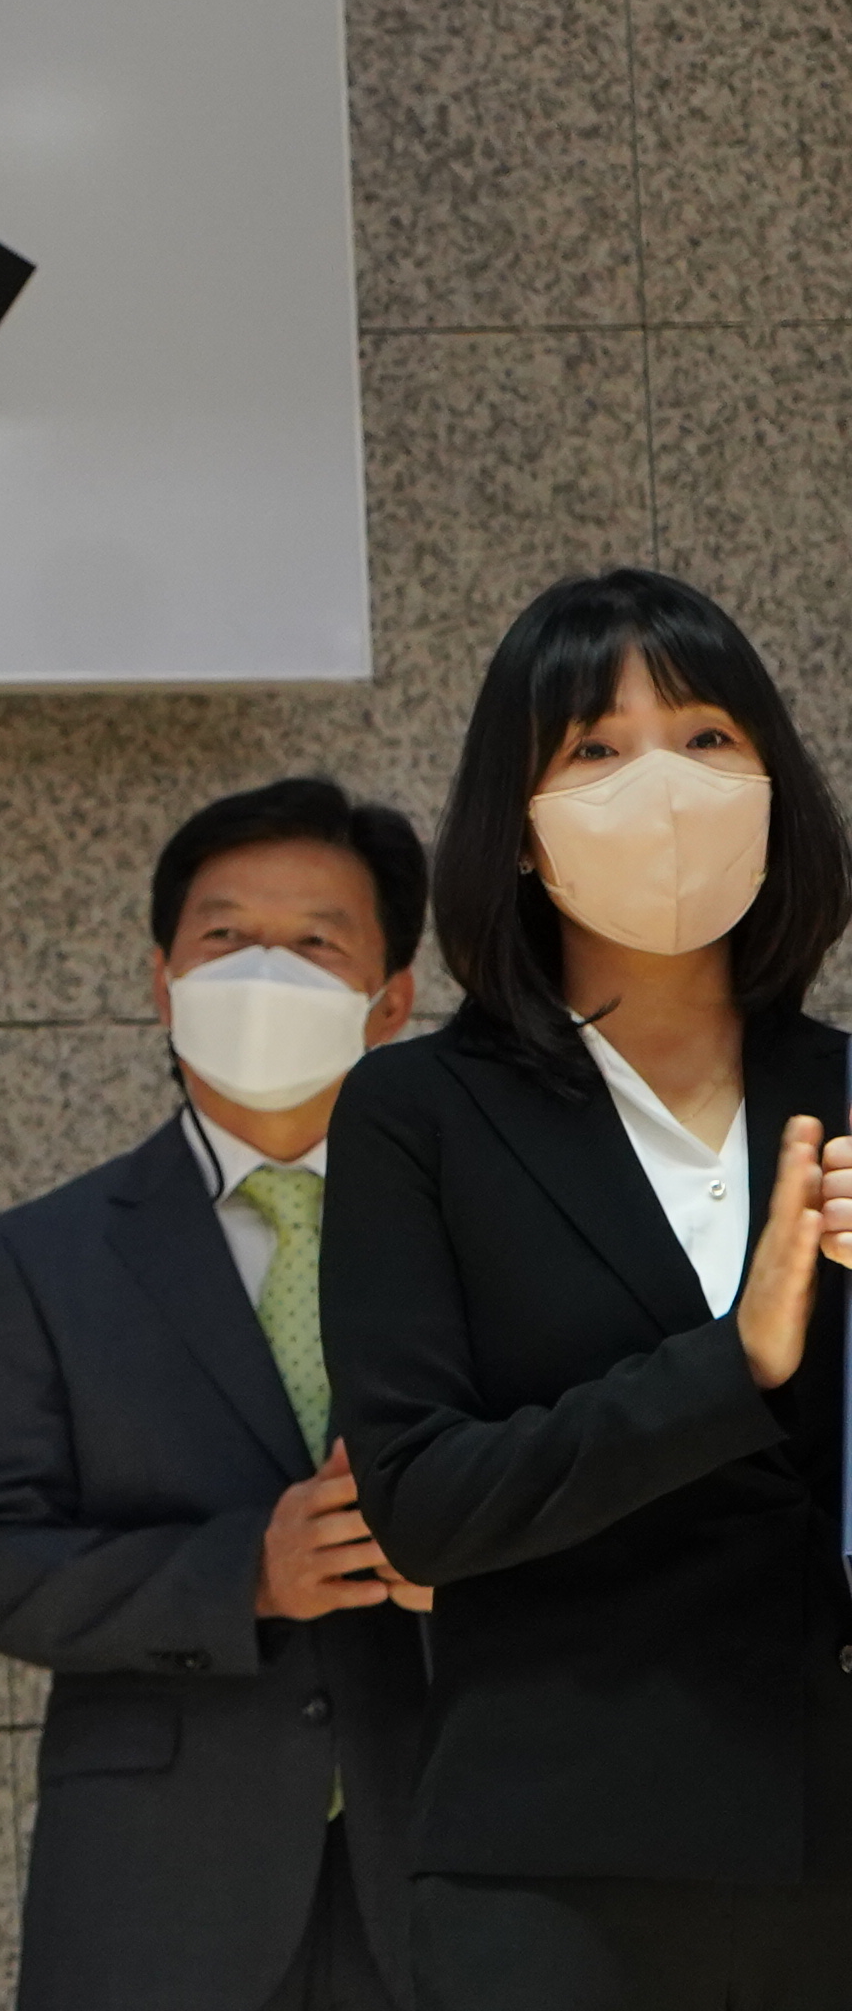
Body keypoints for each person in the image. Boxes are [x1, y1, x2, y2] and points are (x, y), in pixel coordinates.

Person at [325, 569, 852, 2010]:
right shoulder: (418, 1114)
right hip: (553, 1860)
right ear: (518, 825)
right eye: (596, 749)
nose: (663, 785)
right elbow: (420, 1499)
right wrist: (731, 1363)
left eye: (707, 737)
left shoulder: (843, 1089)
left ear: (774, 786)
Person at [0, 777, 437, 2011]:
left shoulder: (474, 1233)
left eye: (315, 941)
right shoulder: (46, 1257)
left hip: (446, 1866)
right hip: (159, 1893)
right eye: (226, 935)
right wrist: (246, 1572)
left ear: (392, 999)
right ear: (163, 980)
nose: (266, 970)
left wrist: (471, 1565)